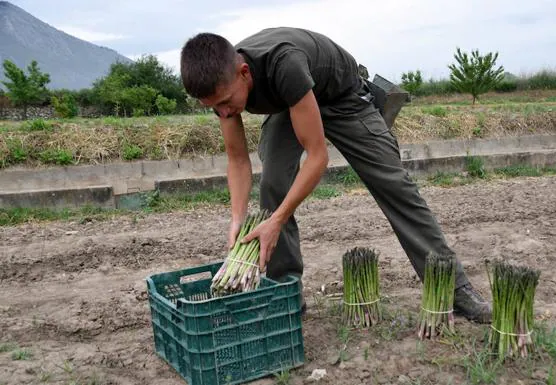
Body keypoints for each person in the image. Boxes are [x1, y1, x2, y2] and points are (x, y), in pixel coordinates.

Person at [180, 27, 492, 323]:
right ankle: (287, 293)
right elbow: (237, 160)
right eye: (213, 108)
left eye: (224, 104)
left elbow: (317, 158)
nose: (223, 113)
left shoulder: (282, 64)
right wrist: (237, 217)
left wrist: (276, 222)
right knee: (273, 184)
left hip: (342, 99)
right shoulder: (220, 85)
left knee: (395, 186)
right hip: (290, 106)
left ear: (244, 73)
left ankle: (455, 289)